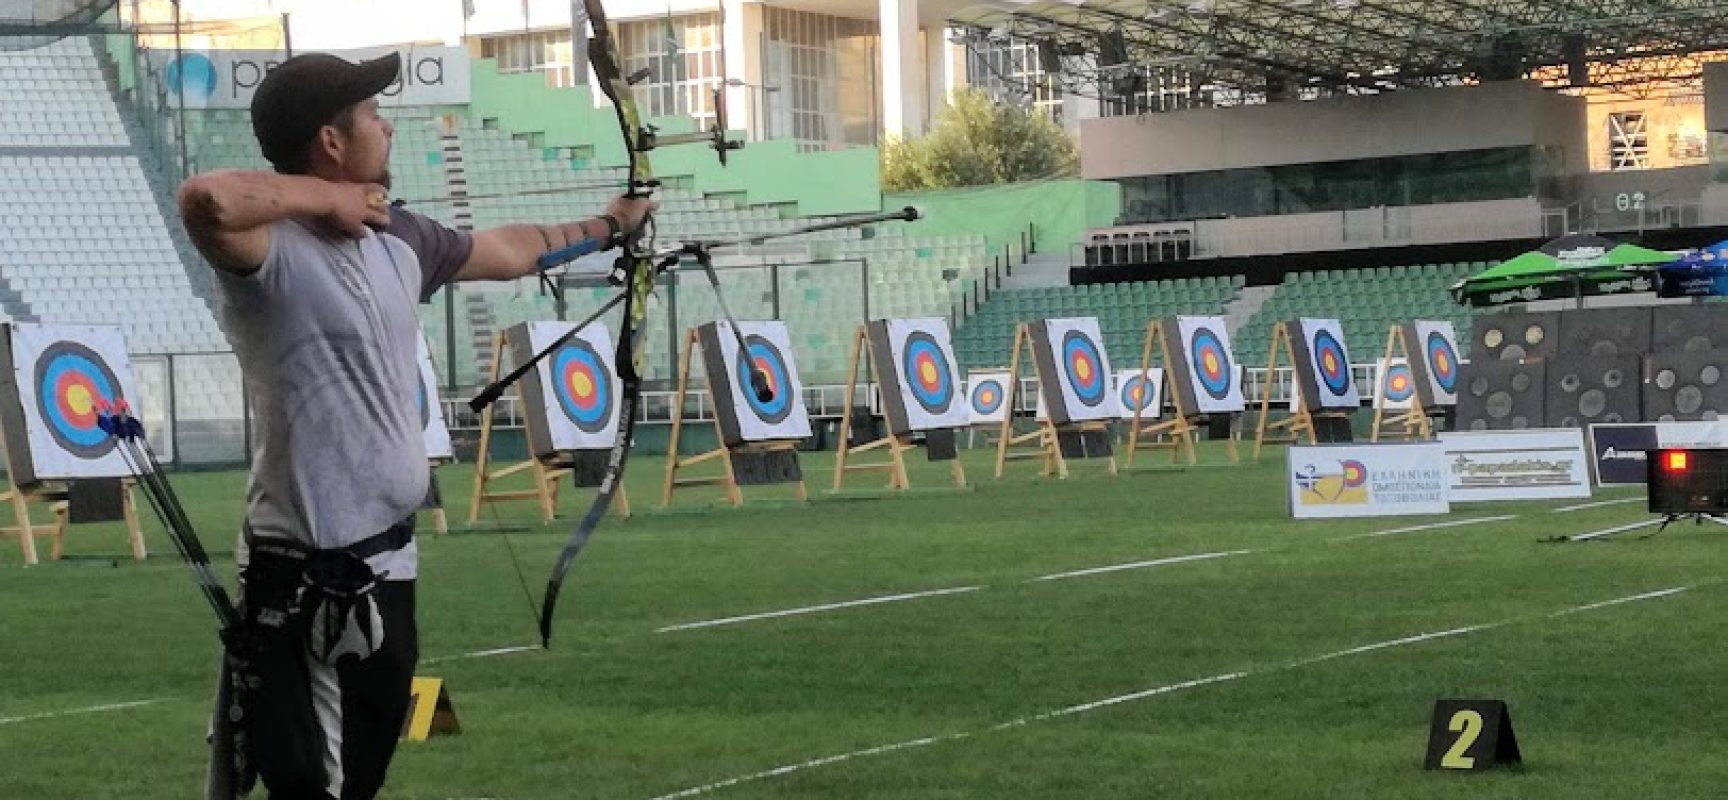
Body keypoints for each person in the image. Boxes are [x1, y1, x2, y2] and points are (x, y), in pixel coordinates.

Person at [176, 51, 653, 800]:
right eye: (369, 115)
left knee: (358, 779)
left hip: (391, 566)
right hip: (298, 579)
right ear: (330, 142)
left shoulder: (401, 238)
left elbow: (506, 251)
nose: (386, 126)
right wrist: (324, 202)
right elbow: (205, 199)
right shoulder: (266, 252)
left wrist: (609, 225)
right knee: (312, 788)